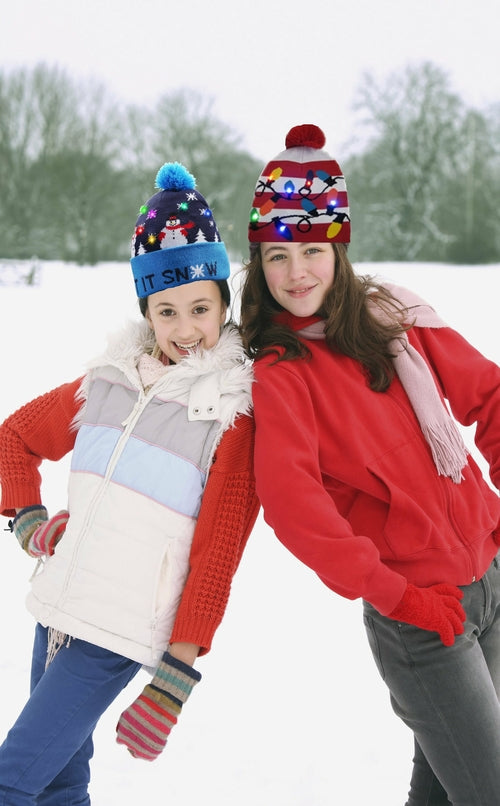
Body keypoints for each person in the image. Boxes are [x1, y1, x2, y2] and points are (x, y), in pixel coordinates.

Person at [239, 123, 500, 806]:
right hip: (420, 616)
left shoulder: (396, 318)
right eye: (276, 256)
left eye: (313, 251)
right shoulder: (281, 371)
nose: (296, 273)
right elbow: (294, 505)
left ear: (340, 247)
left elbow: (490, 395)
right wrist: (397, 594)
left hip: (490, 580)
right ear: (259, 265)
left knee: (446, 789)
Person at [0, 161, 259, 804]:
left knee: (11, 779)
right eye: (165, 311)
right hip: (60, 608)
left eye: (200, 308)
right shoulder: (106, 383)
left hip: (118, 632)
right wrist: (28, 520)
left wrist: (177, 672)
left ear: (224, 302)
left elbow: (217, 554)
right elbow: (12, 439)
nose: (185, 329)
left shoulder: (233, 417)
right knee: (58, 784)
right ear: (146, 310)